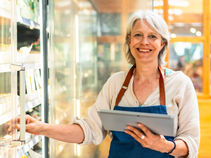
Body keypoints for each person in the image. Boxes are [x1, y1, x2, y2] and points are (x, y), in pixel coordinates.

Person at [19, 10, 200, 158]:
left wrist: (165, 146)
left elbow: (191, 142)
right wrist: (42, 128)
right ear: (129, 40)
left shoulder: (179, 84)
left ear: (162, 43)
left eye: (152, 36)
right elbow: (89, 130)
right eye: (138, 35)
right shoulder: (116, 83)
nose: (144, 42)